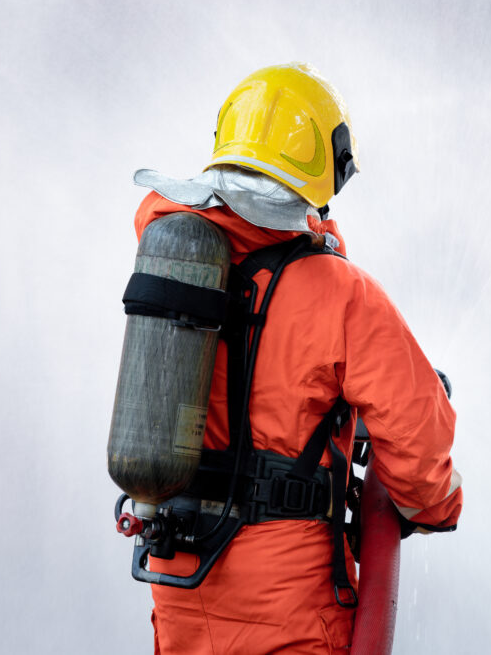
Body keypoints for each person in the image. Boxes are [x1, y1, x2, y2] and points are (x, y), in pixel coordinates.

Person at [132, 63, 462, 654]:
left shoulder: (172, 263)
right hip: (292, 615)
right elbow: (418, 445)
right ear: (323, 169)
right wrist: (438, 499)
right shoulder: (340, 294)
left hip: (180, 586)